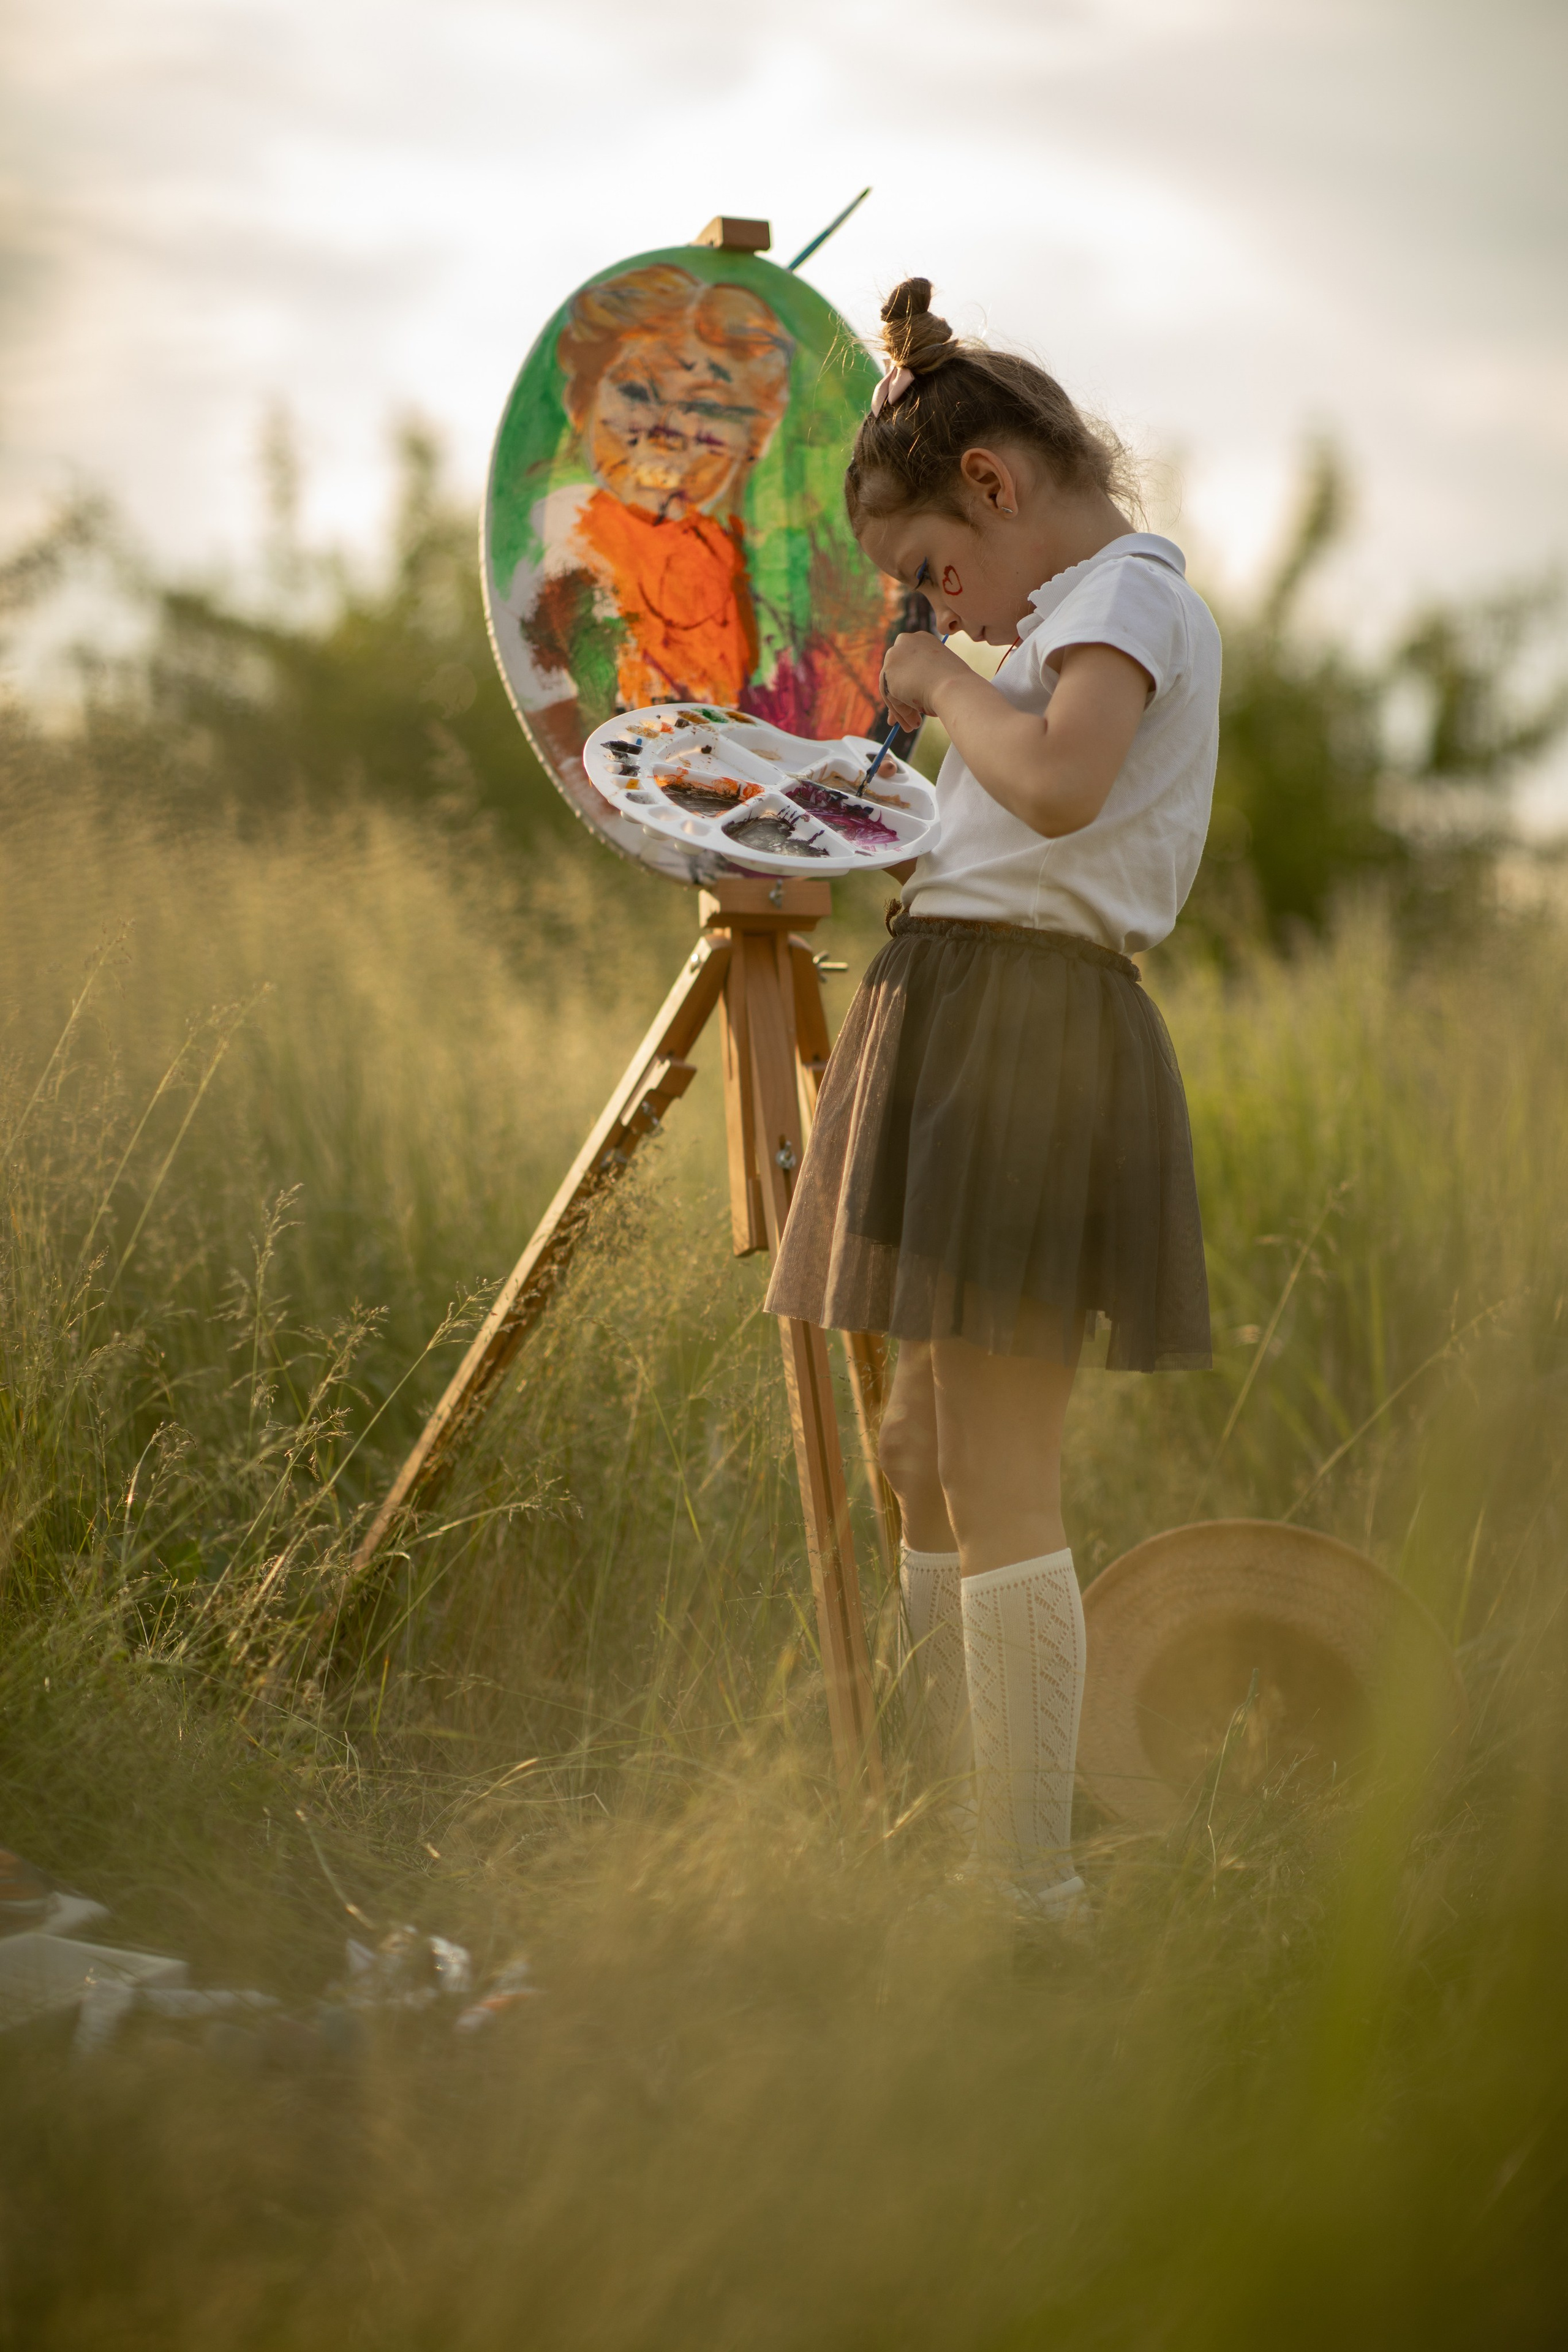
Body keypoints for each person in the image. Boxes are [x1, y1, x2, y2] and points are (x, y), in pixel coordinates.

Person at [765, 279, 1221, 1918]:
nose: (928, 616)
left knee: (1000, 1454)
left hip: (1034, 1032)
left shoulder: (1129, 599)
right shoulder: (1051, 620)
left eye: (929, 576)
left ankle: (1023, 1899)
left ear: (999, 490)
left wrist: (942, 690)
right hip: (966, 1009)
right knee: (918, 1438)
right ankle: (954, 1827)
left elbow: (1063, 779)